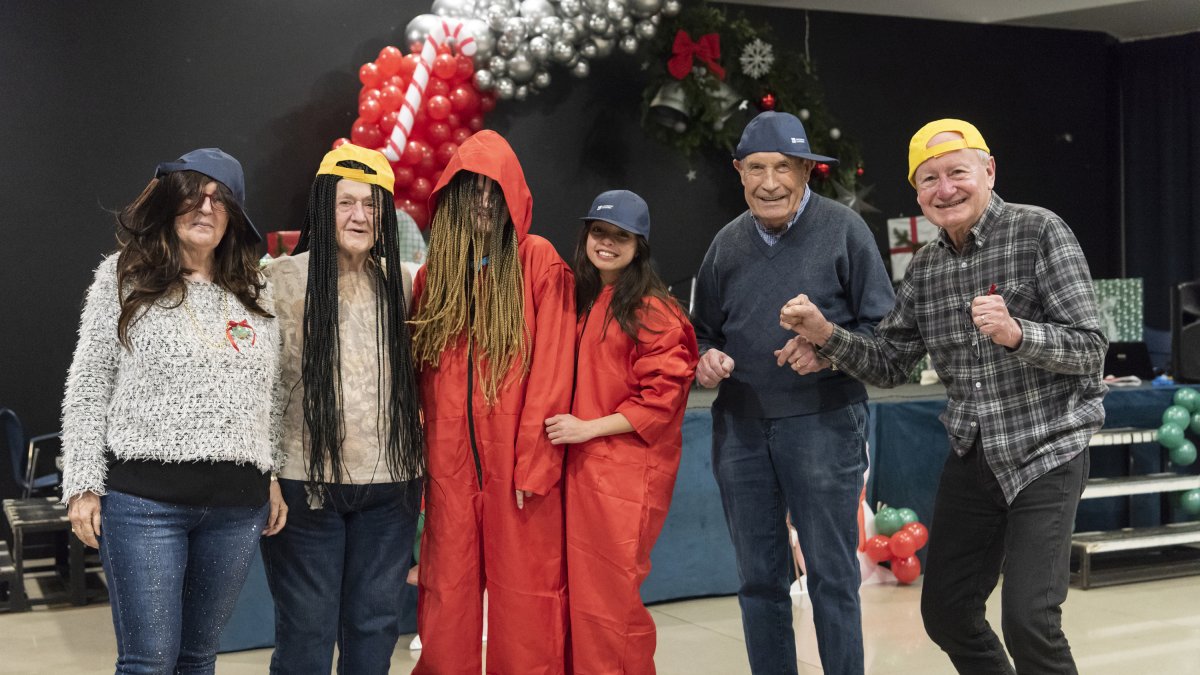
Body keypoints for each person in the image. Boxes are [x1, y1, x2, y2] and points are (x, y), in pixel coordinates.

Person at [779, 118, 1106, 674]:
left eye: (957, 172)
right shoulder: (927, 267)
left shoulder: (1039, 231)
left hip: (1045, 450)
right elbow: (888, 361)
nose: (945, 188)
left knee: (1029, 621)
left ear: (988, 170)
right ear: (918, 194)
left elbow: (1091, 348)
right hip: (973, 455)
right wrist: (824, 335)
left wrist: (1018, 333)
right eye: (929, 179)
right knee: (948, 614)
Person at [61, 148, 286, 674]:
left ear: (234, 216)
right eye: (193, 195)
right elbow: (90, 384)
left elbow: (269, 397)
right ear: (170, 202)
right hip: (144, 505)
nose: (205, 208)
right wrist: (83, 483)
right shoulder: (122, 278)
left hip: (236, 508)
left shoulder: (256, 291)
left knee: (198, 658)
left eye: (219, 199)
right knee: (149, 661)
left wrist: (269, 472)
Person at [691, 111, 895, 675]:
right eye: (757, 167)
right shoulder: (725, 245)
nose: (771, 182)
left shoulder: (844, 230)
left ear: (807, 171)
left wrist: (827, 346)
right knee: (759, 580)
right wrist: (704, 359)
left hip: (824, 423)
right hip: (741, 429)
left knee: (831, 574)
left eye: (785, 167)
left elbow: (886, 335)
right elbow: (701, 332)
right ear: (739, 172)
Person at [408, 130, 575, 674]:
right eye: (471, 189)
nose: (483, 201)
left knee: (526, 606)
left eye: (494, 189)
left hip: (517, 473)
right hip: (449, 473)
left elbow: (552, 373)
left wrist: (536, 463)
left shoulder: (538, 262)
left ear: (513, 197)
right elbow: (416, 379)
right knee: (445, 599)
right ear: (452, 197)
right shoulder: (436, 278)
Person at [260, 143, 425, 674]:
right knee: (307, 628)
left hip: (392, 484)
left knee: (376, 624)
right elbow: (256, 386)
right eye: (346, 203)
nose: (360, 216)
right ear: (322, 207)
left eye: (372, 205)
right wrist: (262, 472)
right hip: (303, 485)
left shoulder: (406, 283)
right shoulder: (278, 280)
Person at [544, 190, 699, 673]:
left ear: (640, 245)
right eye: (598, 232)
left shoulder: (651, 309)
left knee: (612, 604)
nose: (606, 243)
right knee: (587, 600)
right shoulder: (590, 299)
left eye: (620, 236)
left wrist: (586, 428)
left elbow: (662, 399)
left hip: (625, 477)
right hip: (588, 471)